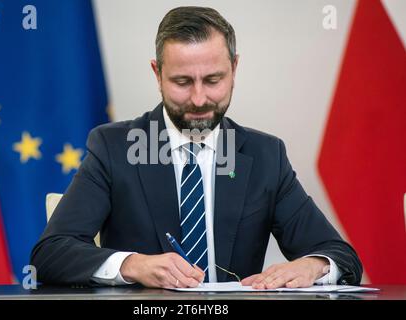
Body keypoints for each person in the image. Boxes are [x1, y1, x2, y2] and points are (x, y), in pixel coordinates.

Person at [31, 6, 362, 289]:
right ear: (157, 74)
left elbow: (341, 256)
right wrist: (131, 265)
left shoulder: (266, 156)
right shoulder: (113, 147)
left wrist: (314, 265)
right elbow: (51, 254)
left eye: (213, 80)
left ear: (234, 69)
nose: (200, 99)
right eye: (182, 82)